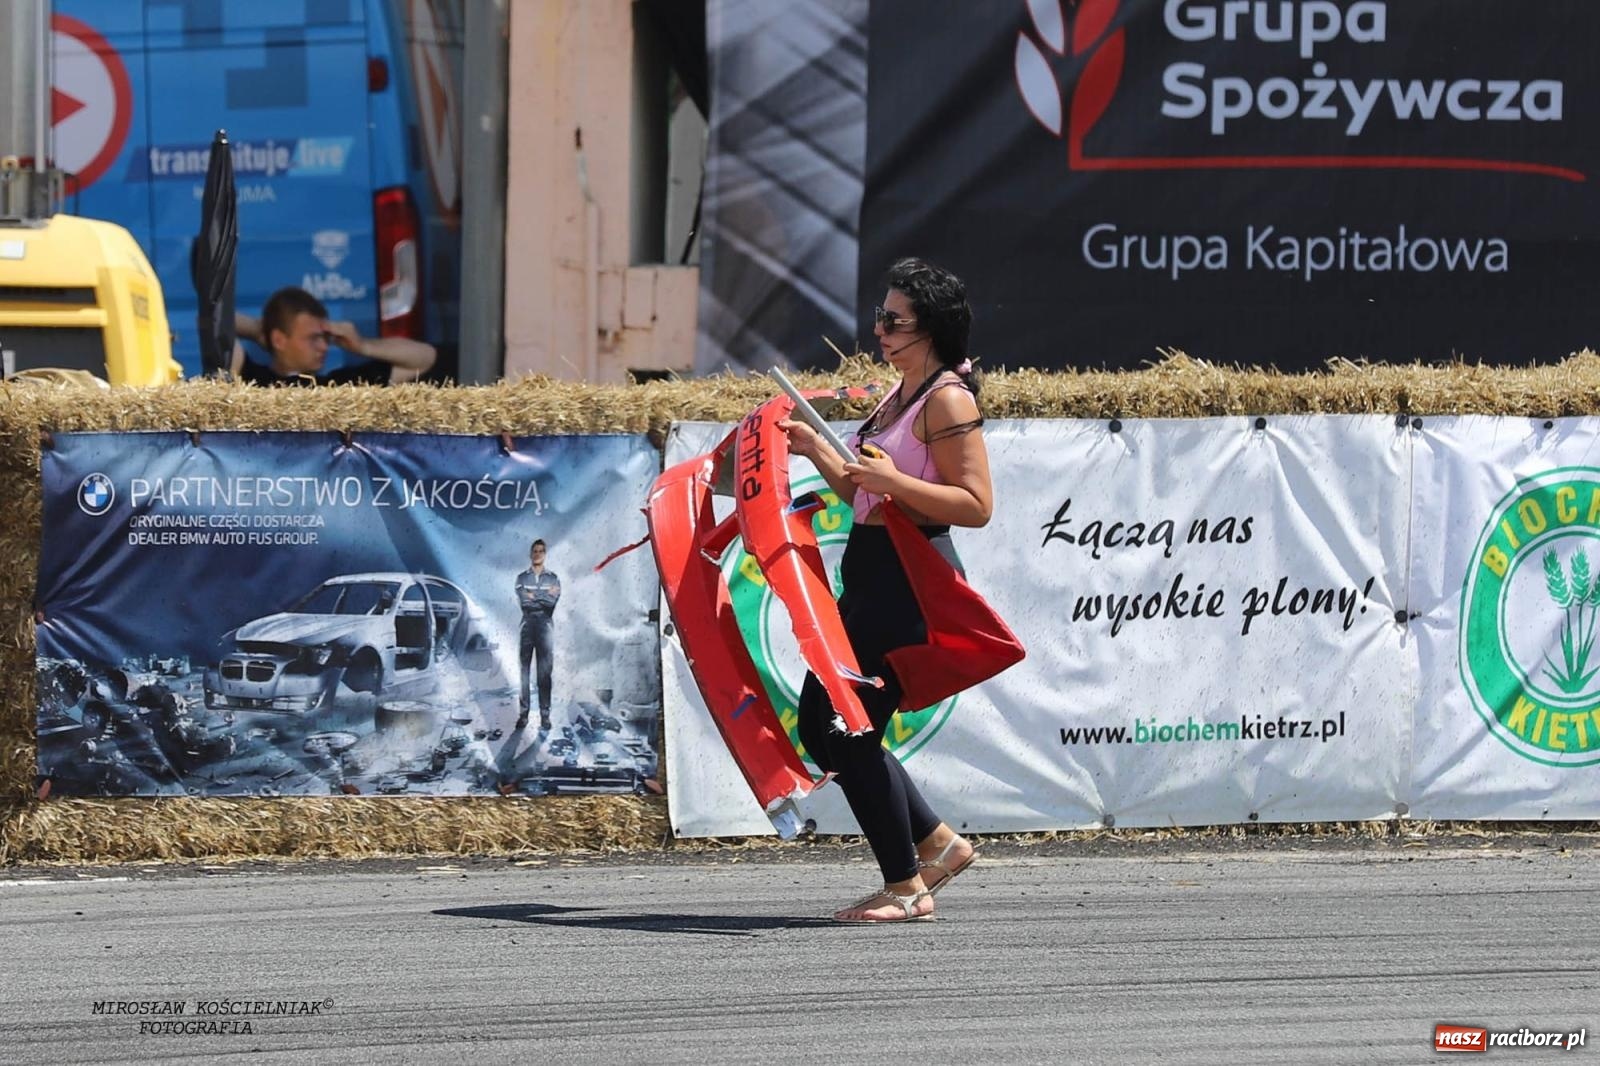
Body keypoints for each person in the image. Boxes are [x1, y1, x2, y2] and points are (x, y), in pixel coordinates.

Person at [779, 257, 991, 924]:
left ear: (927, 328)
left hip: (908, 580)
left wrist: (894, 481)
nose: (878, 329)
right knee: (824, 724)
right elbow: (867, 496)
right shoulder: (899, 394)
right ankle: (936, 844)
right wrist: (819, 451)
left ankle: (907, 885)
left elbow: (976, 504)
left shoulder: (948, 399)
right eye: (880, 316)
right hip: (872, 570)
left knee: (844, 727)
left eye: (892, 320)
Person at [230, 286, 435, 385]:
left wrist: (363, 346)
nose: (323, 347)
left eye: (325, 338)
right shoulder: (252, 381)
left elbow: (424, 358)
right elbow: (216, 323)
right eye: (312, 338)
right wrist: (259, 331)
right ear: (279, 339)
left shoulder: (338, 385)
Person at [514, 539, 562, 730]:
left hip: (545, 626)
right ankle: (523, 715)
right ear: (530, 553)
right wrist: (541, 597)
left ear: (545, 554)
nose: (538, 554)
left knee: (544, 673)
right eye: (535, 551)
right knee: (524, 672)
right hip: (527, 625)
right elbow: (524, 602)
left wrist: (535, 596)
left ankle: (545, 715)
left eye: (541, 551)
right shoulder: (521, 578)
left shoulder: (553, 578)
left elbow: (551, 603)